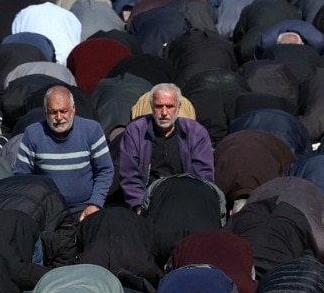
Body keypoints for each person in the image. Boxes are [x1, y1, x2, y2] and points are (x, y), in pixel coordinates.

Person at [14, 85, 114, 221]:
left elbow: (105, 170)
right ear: (46, 112)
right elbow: (22, 176)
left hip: (84, 207)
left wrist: (95, 204)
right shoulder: (33, 133)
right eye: (53, 112)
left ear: (73, 109)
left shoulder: (92, 130)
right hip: (46, 209)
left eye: (63, 111)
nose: (59, 117)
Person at [116, 83, 215, 210]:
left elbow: (203, 175)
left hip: (185, 201)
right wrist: (139, 206)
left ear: (178, 107)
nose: (164, 112)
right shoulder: (136, 131)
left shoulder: (196, 132)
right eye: (158, 106)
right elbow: (129, 174)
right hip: (147, 201)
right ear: (152, 107)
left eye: (169, 106)